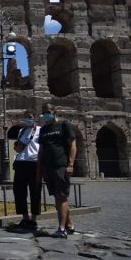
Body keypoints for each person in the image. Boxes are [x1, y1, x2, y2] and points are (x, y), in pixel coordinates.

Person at [36, 102, 77, 239]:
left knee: (61, 196)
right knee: (57, 197)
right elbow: (41, 150)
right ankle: (70, 225)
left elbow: (73, 145)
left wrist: (70, 164)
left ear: (55, 111)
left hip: (61, 165)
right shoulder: (43, 130)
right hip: (48, 167)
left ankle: (62, 228)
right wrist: (39, 168)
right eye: (44, 112)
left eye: (48, 111)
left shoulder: (64, 125)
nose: (46, 114)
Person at [9, 110, 41, 232]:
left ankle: (34, 220)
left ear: (35, 118)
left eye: (30, 117)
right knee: (19, 192)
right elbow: (19, 148)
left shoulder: (40, 130)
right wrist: (16, 147)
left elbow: (42, 147)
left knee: (35, 191)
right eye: (26, 117)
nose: (28, 119)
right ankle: (25, 218)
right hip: (20, 162)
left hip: (34, 163)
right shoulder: (21, 131)